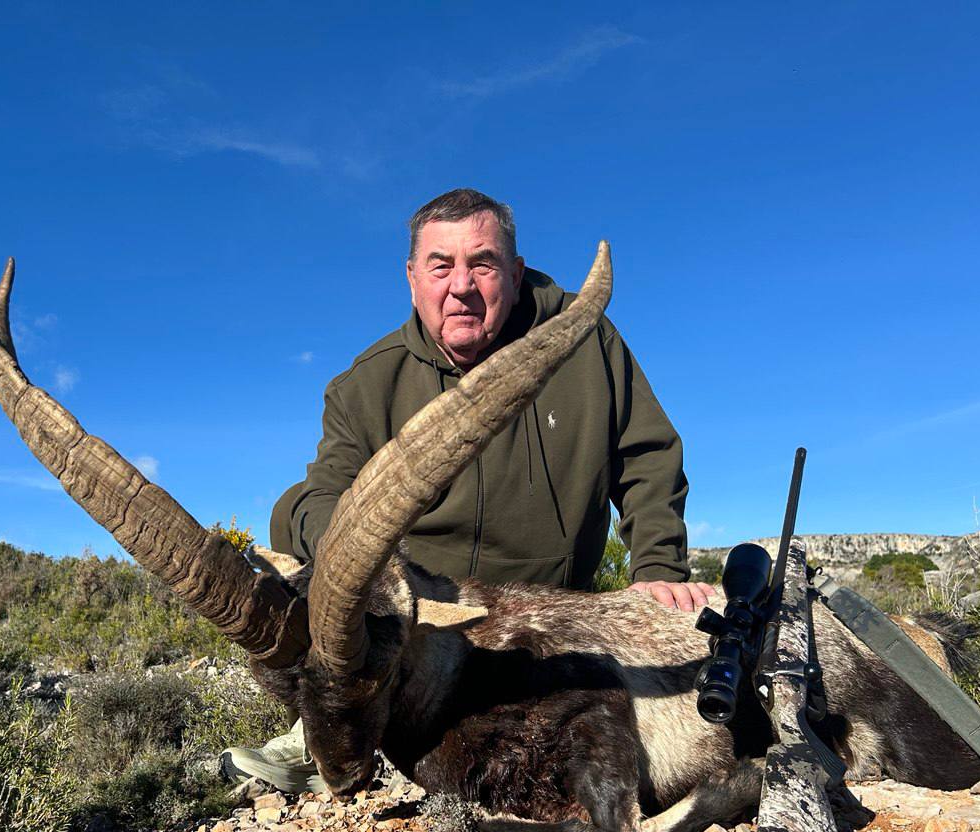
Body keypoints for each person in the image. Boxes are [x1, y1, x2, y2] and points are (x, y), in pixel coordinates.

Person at [229, 188, 713, 791]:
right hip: (430, 633)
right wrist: (360, 562)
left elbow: (647, 457)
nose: (460, 285)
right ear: (412, 279)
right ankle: (327, 726)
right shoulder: (365, 385)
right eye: (440, 265)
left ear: (514, 273)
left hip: (555, 621)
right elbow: (315, 497)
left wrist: (658, 566)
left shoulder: (585, 339)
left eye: (481, 263)